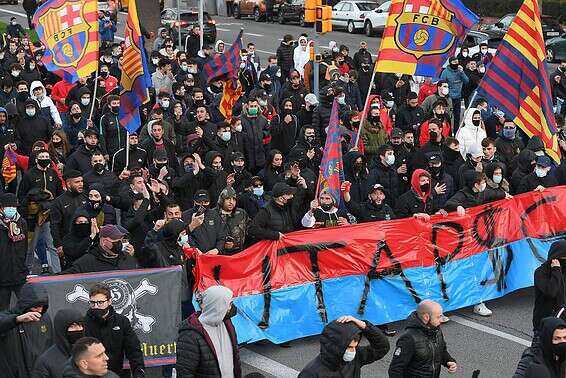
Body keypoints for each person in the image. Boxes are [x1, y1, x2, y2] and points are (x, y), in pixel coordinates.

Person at [176, 285, 241, 377]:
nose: (231, 307)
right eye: (229, 303)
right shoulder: (189, 336)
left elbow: (236, 358)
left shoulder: (227, 324)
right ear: (218, 305)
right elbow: (184, 373)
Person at [84, 283, 145, 378]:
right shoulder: (84, 323)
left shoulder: (122, 321)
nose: (96, 306)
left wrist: (139, 374)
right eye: (92, 303)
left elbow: (134, 351)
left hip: (117, 373)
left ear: (109, 301)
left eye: (100, 302)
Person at [299, 315, 390, 377]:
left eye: (355, 346)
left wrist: (364, 325)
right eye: (349, 347)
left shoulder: (356, 357)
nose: (353, 351)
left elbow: (382, 347)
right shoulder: (311, 373)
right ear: (336, 345)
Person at [388, 300, 457, 377]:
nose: (441, 320)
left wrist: (449, 361)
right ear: (426, 317)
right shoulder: (409, 338)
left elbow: (441, 351)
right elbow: (395, 369)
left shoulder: (436, 330)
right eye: (438, 317)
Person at [0, 283, 53, 378]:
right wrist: (17, 320)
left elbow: (50, 346)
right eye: (36, 306)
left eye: (42, 306)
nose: (40, 310)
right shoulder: (9, 317)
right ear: (25, 303)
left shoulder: (45, 318)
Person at [62, 224, 137, 274]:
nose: (120, 243)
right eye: (116, 241)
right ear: (104, 241)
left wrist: (130, 257)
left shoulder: (127, 258)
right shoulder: (87, 262)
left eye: (122, 241)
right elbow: (63, 278)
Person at [32, 309, 84, 378]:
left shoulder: (89, 353)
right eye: (72, 326)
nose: (78, 329)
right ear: (62, 329)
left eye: (80, 325)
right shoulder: (45, 361)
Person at [0, 193, 27, 311]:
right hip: (2, 277)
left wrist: (22, 267)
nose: (12, 209)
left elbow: (25, 248)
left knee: (27, 307)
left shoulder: (21, 223)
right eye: (8, 206)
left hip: (19, 275)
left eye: (14, 207)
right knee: (3, 311)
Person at [533, 240, 566, 332]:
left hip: (563, 319)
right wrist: (556, 270)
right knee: (542, 346)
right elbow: (551, 292)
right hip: (545, 321)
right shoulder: (541, 272)